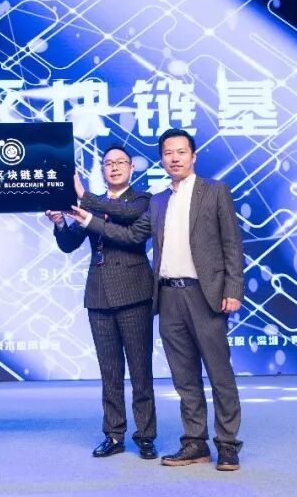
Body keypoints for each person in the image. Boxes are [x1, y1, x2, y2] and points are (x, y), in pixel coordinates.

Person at [69, 128, 244, 471]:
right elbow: (130, 235)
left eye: (181, 152)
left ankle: (227, 444)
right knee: (184, 377)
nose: (174, 158)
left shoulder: (215, 191)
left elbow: (231, 245)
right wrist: (87, 218)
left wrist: (233, 289)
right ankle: (195, 443)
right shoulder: (159, 201)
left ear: (193, 156)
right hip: (167, 296)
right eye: (168, 153)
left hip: (205, 294)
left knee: (219, 373)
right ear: (161, 159)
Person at [45, 144, 158, 460]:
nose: (115, 167)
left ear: (131, 169)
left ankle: (145, 436)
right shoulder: (93, 205)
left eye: (121, 162)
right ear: (103, 170)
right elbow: (70, 244)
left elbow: (127, 219)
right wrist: (59, 222)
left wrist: (83, 197)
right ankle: (114, 434)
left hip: (134, 293)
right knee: (110, 372)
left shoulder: (142, 200)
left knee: (140, 370)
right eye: (109, 163)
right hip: (98, 295)